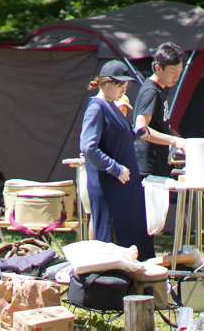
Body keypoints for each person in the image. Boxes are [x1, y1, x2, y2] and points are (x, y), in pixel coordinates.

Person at [80, 60, 155, 260]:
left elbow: (115, 137)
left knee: (134, 241)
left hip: (125, 189)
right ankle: (114, 287)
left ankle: (139, 286)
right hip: (109, 188)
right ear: (106, 84)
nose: (125, 89)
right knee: (113, 246)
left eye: (126, 85)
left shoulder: (112, 105)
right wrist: (115, 168)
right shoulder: (96, 109)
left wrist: (136, 133)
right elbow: (88, 147)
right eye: (120, 85)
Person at [133, 42, 187, 180]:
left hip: (157, 165)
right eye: (173, 72)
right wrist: (173, 141)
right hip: (147, 168)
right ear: (158, 68)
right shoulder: (151, 92)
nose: (177, 77)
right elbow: (141, 129)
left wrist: (180, 140)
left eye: (179, 73)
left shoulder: (160, 90)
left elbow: (159, 125)